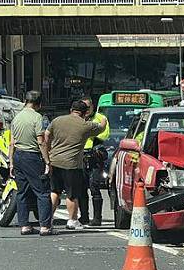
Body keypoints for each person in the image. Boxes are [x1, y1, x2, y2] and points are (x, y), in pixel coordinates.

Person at [46, 100, 107, 230]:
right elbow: (101, 127)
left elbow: (46, 136)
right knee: (72, 194)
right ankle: (72, 220)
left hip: (55, 161)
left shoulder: (57, 120)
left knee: (54, 191)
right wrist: (103, 118)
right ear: (85, 113)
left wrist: (49, 151)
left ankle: (48, 219)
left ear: (71, 110)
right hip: (72, 164)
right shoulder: (85, 125)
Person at [9, 91, 52, 236]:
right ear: (38, 103)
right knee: (42, 191)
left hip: (18, 156)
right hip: (32, 157)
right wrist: (47, 161)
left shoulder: (17, 117)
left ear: (25, 101)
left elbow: (12, 143)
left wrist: (11, 163)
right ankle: (45, 226)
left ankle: (24, 226)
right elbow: (41, 141)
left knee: (22, 192)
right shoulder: (37, 117)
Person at [80, 96, 110, 226]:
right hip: (80, 156)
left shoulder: (101, 118)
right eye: (83, 107)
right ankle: (84, 216)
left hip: (95, 156)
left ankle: (97, 218)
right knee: (81, 189)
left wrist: (89, 131)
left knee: (95, 187)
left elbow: (104, 134)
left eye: (88, 107)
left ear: (93, 106)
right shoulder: (77, 119)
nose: (86, 110)